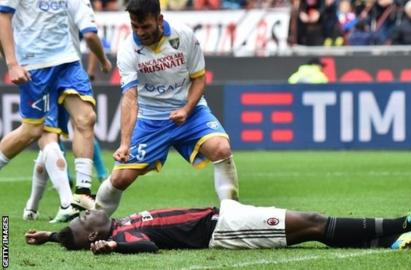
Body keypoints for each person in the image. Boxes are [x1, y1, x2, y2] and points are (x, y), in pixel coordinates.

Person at [93, 0, 239, 217]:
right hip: (151, 119)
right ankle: (94, 221)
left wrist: (187, 109)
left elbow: (199, 79)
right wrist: (124, 144)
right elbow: (130, 98)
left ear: (159, 20)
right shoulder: (127, 50)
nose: (140, 32)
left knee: (221, 149)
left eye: (145, 26)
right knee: (120, 179)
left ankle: (232, 215)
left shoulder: (185, 36)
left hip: (191, 113)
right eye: (135, 26)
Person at [25, 192, 411, 254]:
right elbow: (148, 246)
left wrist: (50, 236)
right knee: (313, 223)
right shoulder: (122, 233)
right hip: (224, 230)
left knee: (312, 225)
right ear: (96, 233)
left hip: (224, 214)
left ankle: (397, 237)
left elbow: (75, 232)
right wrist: (114, 248)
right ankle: (402, 225)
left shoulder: (119, 220)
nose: (89, 212)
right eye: (86, 220)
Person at [0, 0, 100, 209]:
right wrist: (12, 63)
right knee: (33, 131)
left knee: (86, 117)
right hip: (35, 66)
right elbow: (3, 17)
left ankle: (82, 194)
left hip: (68, 61)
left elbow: (89, 32)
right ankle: (41, 204)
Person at [21, 0, 112, 223]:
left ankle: (40, 205)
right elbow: (92, 37)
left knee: (55, 135)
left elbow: (91, 37)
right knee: (52, 134)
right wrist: (102, 63)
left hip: (59, 70)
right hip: (50, 71)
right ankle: (65, 200)